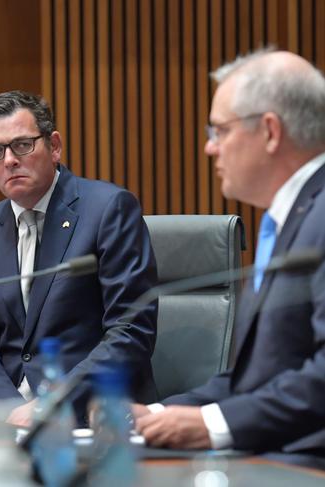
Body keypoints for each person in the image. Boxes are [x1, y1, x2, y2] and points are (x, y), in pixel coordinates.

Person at [134, 49, 325, 463]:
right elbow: (256, 380)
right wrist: (155, 414)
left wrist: (212, 426)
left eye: (219, 130)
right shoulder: (292, 217)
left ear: (270, 132)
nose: (209, 147)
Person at [0, 90, 158, 426]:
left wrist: (49, 406)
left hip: (91, 415)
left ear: (54, 146)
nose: (9, 160)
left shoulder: (108, 210)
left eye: (22, 145)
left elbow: (129, 330)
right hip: (9, 421)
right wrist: (12, 414)